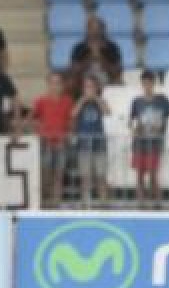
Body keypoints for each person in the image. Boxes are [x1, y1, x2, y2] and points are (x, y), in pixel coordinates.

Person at [128, 70, 169, 209]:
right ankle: (140, 203)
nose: (147, 86)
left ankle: (157, 203)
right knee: (140, 175)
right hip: (139, 143)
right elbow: (130, 122)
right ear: (141, 84)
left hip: (154, 144)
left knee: (153, 175)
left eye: (149, 83)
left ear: (153, 83)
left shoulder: (162, 100)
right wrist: (134, 130)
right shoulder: (137, 102)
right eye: (144, 83)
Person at [32, 71, 74, 207]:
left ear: (62, 85)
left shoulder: (68, 101)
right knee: (45, 174)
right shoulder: (41, 101)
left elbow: (71, 121)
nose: (55, 86)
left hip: (61, 143)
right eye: (52, 83)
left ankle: (56, 203)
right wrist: (40, 132)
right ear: (48, 84)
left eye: (58, 83)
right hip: (46, 144)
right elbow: (32, 119)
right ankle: (44, 202)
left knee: (59, 174)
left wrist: (69, 134)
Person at [72, 74, 110, 205]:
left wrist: (96, 99)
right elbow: (73, 113)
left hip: (99, 143)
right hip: (84, 144)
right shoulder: (80, 101)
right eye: (86, 86)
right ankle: (85, 203)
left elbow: (107, 112)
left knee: (101, 175)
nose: (89, 89)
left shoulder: (100, 100)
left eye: (91, 86)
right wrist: (83, 100)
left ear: (96, 88)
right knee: (85, 176)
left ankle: (103, 203)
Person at [70, 16, 122, 85]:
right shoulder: (79, 48)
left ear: (102, 30)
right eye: (92, 29)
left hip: (107, 82)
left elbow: (117, 72)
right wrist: (90, 58)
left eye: (97, 29)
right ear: (87, 30)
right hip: (84, 84)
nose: (95, 32)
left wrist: (100, 58)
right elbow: (73, 71)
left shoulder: (112, 47)